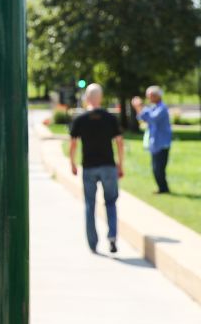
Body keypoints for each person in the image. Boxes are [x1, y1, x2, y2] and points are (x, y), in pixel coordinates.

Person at [69, 84, 124, 253]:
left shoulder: (80, 119)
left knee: (89, 204)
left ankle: (93, 243)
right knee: (111, 202)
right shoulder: (110, 118)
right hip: (108, 166)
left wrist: (72, 163)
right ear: (100, 97)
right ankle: (112, 236)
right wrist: (120, 164)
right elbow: (120, 142)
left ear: (87, 98)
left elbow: (73, 144)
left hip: (89, 167)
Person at [131, 86, 173, 193]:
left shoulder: (162, 108)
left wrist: (140, 107)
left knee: (159, 169)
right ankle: (162, 188)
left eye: (151, 96)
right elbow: (142, 118)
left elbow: (152, 118)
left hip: (162, 143)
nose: (149, 98)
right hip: (155, 143)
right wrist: (138, 107)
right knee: (155, 168)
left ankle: (164, 189)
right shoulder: (153, 107)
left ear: (157, 96)